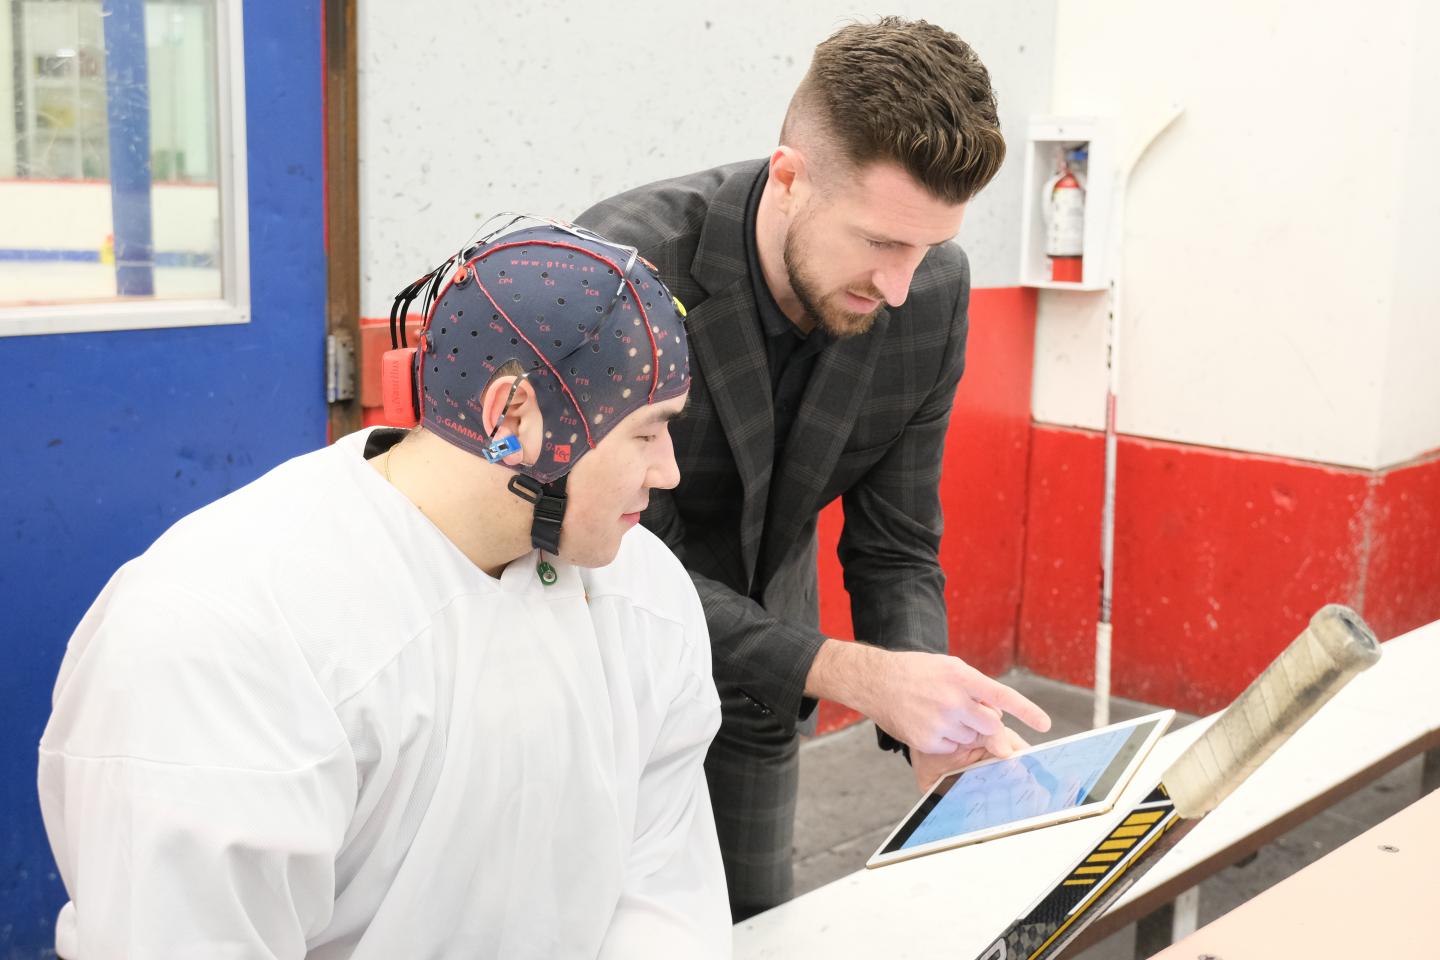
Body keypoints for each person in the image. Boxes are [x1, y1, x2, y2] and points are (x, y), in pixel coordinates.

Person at [37, 217, 731, 958]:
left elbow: (663, 894)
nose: (669, 473)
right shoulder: (227, 631)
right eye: (646, 432)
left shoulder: (642, 589)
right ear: (513, 417)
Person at [577, 18, 1053, 919]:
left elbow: (897, 544)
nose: (902, 284)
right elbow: (625, 565)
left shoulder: (931, 293)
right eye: (879, 241)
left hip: (769, 689)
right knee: (595, 931)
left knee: (755, 925)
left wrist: (934, 710)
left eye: (927, 246)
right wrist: (857, 674)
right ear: (788, 177)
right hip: (605, 687)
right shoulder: (624, 268)